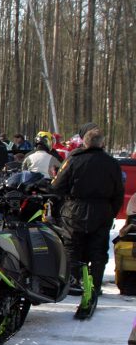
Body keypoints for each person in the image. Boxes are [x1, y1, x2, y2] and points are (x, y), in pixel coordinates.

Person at [51, 123, 125, 297]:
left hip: (75, 210)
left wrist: (62, 206)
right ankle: (95, 285)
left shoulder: (74, 160)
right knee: (98, 251)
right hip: (101, 211)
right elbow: (118, 193)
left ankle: (74, 282)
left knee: (72, 247)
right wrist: (111, 213)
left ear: (84, 142)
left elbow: (57, 186)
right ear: (101, 143)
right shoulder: (112, 163)